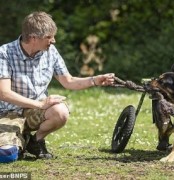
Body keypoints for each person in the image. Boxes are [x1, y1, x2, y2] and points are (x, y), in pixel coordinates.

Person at [0, 11, 115, 162]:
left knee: (60, 111)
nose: (53, 41)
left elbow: (69, 81)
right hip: (8, 113)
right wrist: (40, 104)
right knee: (7, 156)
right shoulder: (5, 53)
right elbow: (4, 93)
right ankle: (19, 140)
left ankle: (35, 142)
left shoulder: (50, 52)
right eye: (49, 37)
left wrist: (95, 80)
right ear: (33, 38)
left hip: (35, 112)